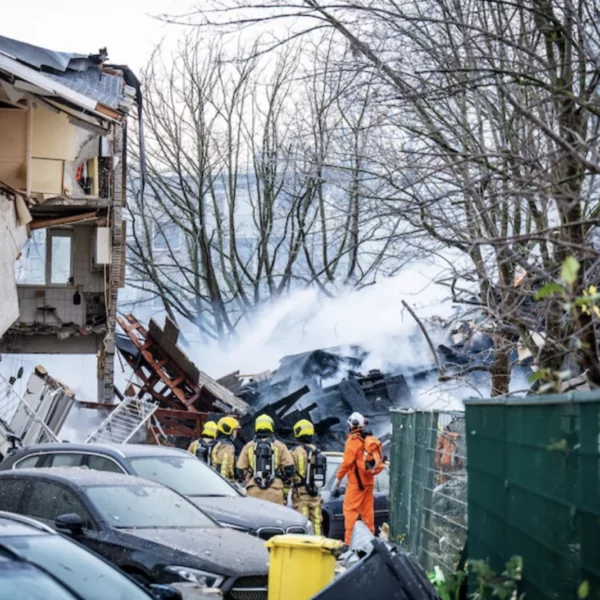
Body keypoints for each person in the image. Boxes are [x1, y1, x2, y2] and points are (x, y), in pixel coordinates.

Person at [333, 412, 384, 545]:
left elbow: (347, 463)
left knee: (350, 511)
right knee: (367, 512)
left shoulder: (353, 441)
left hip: (356, 484)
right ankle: (370, 541)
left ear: (353, 425)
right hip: (368, 482)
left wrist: (338, 479)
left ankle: (349, 543)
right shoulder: (366, 439)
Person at [236, 414, 295, 505]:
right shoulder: (280, 446)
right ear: (271, 426)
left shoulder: (248, 446)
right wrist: (280, 478)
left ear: (256, 427)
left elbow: (239, 470)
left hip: (253, 490)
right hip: (275, 490)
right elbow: (290, 469)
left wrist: (248, 477)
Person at [290, 419, 327, 535]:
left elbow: (289, 471)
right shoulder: (319, 452)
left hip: (301, 496)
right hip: (315, 496)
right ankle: (318, 546)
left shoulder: (295, 452)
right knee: (316, 523)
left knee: (302, 523)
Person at [211, 416, 241, 482]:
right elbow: (223, 468)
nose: (236, 433)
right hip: (222, 482)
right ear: (227, 429)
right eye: (235, 430)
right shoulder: (227, 446)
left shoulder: (215, 442)